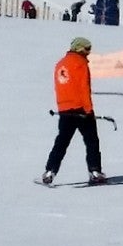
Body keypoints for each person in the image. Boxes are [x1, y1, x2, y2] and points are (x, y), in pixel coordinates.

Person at [41, 37, 104, 185]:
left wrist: (62, 105)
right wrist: (89, 110)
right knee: (92, 141)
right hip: (81, 110)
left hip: (64, 110)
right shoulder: (80, 64)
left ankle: (50, 171)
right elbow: (84, 88)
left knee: (61, 142)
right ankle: (95, 171)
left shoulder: (60, 64)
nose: (89, 53)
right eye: (88, 49)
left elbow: (60, 87)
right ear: (80, 49)